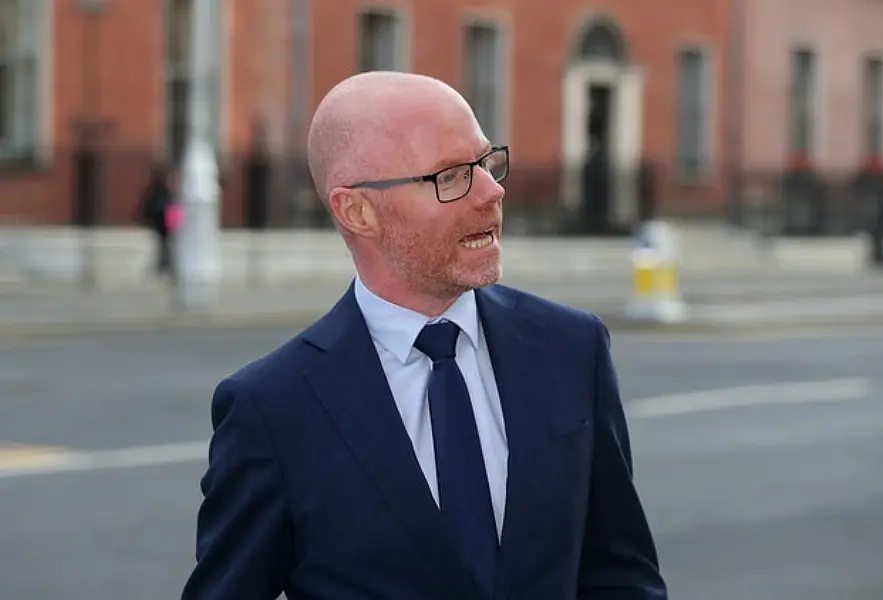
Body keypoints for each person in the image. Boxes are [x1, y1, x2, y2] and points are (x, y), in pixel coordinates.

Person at [181, 71, 668, 600]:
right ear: (357, 211)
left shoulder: (572, 349)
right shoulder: (272, 407)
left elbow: (621, 575)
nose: (491, 190)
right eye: (452, 175)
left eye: (486, 162)